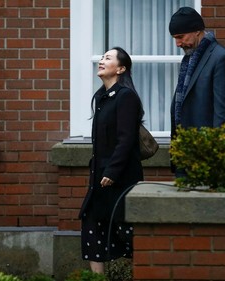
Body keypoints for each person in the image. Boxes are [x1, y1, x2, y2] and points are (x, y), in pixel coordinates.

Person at [78, 47, 144, 274]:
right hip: (99, 177)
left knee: (128, 232)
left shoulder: (126, 97)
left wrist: (113, 171)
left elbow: (125, 140)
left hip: (120, 178)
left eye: (108, 58)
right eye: (102, 57)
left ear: (121, 68)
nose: (102, 60)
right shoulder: (102, 97)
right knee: (92, 227)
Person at [169, 7, 225, 175]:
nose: (178, 44)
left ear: (197, 31)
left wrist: (217, 158)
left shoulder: (222, 58)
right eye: (174, 38)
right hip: (186, 154)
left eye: (180, 37)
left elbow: (224, 116)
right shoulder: (190, 59)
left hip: (208, 160)